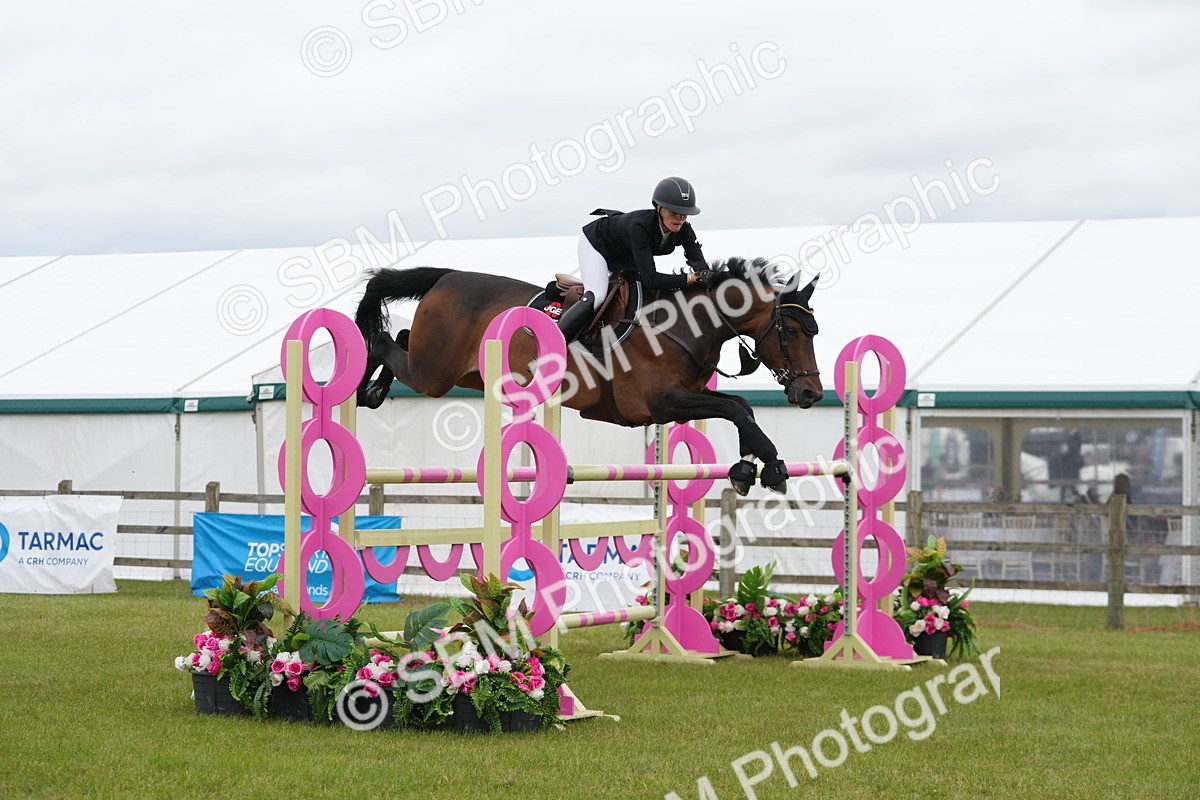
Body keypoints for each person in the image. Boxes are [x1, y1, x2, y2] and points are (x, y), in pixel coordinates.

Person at [558, 176, 710, 341]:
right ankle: (553, 342)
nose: (680, 218)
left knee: (640, 292)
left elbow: (701, 267)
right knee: (597, 296)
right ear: (659, 208)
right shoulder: (639, 227)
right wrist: (689, 278)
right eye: (675, 212)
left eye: (685, 214)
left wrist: (708, 276)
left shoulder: (685, 231)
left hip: (626, 254)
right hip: (597, 245)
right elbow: (651, 279)